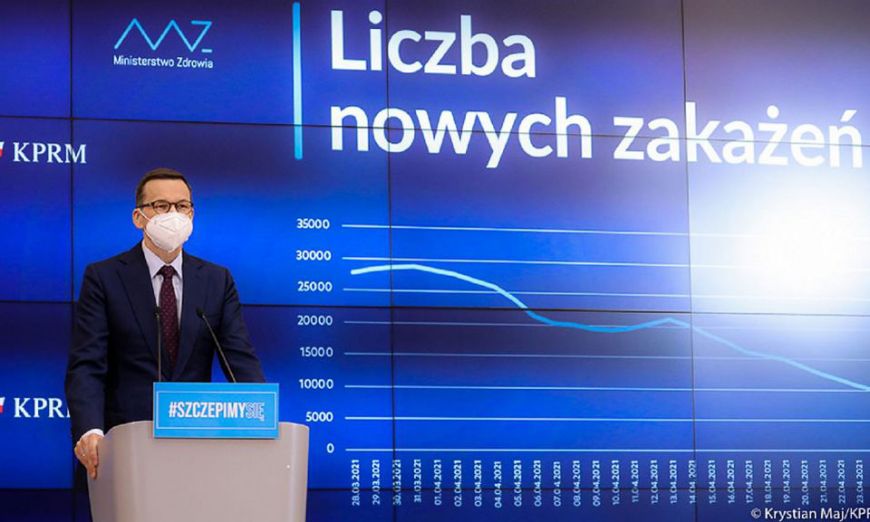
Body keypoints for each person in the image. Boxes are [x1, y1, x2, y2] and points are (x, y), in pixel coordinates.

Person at [65, 167, 265, 480]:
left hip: (198, 451)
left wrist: (263, 420)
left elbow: (240, 360)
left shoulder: (217, 280)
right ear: (138, 217)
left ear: (192, 215)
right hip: (123, 451)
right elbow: (87, 365)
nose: (173, 214)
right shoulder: (104, 278)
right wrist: (90, 431)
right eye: (161, 206)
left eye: (182, 206)